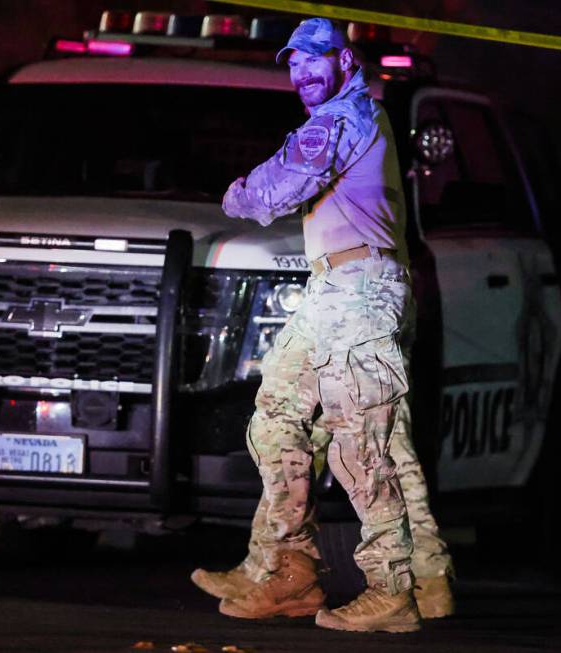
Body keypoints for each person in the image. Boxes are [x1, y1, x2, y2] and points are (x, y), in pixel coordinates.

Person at [190, 17, 452, 633]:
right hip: (334, 289)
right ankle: (286, 569)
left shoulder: (343, 119)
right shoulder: (342, 117)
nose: (303, 72)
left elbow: (274, 191)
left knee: (363, 443)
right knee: (279, 415)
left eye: (316, 59)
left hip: (359, 293)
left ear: (346, 61)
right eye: (293, 62)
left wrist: (235, 193)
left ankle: (393, 590)